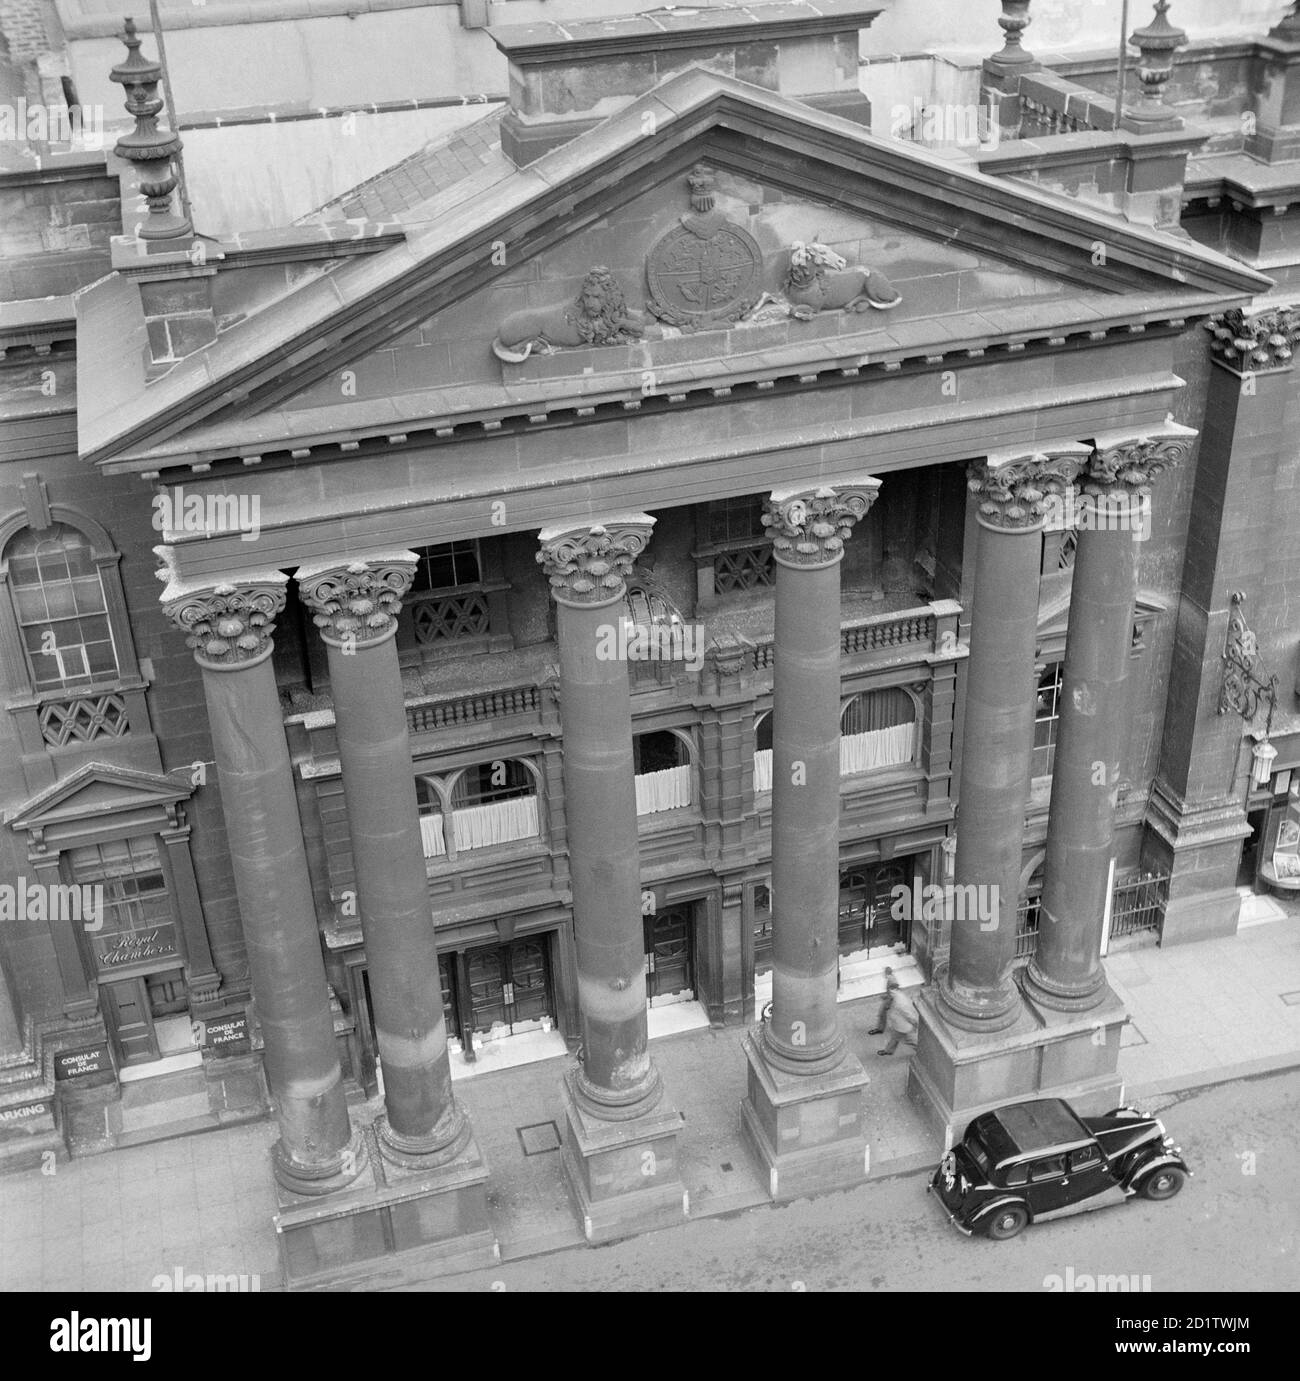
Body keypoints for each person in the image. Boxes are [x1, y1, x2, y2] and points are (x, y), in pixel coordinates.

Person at [870, 972, 919, 1056]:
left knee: (909, 1040)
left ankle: (922, 1051)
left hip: (902, 1026)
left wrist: (915, 1023)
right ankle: (888, 1051)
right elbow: (889, 998)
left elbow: (909, 1015)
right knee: (895, 1038)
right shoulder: (895, 996)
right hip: (899, 1025)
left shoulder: (900, 1003)